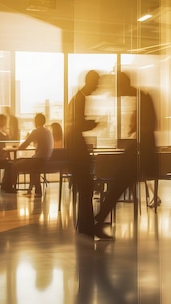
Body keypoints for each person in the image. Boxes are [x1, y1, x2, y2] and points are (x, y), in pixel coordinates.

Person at [92, 72, 158, 236]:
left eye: (118, 87)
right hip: (140, 150)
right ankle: (98, 219)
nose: (117, 92)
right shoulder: (141, 97)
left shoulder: (142, 98)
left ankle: (98, 220)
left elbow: (149, 125)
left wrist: (134, 127)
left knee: (117, 186)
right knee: (117, 186)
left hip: (140, 151)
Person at [66, 70, 101, 238]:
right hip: (77, 150)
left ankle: (86, 225)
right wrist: (93, 123)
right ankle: (87, 225)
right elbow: (78, 124)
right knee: (86, 187)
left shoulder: (77, 98)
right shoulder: (80, 99)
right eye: (96, 82)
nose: (97, 87)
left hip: (75, 149)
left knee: (85, 188)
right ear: (90, 82)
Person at [1, 113, 53, 196]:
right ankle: (37, 190)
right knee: (23, 163)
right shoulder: (48, 131)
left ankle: (11, 187)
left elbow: (24, 145)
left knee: (15, 165)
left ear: (36, 121)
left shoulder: (37, 131)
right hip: (46, 160)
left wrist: (18, 147)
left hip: (38, 160)